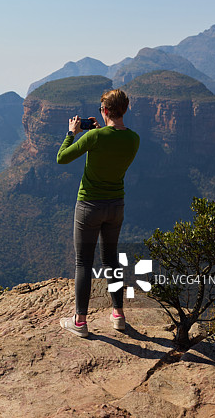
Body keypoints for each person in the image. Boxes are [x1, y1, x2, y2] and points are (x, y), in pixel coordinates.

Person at [55, 89, 139, 337]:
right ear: (125, 109)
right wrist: (94, 133)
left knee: (84, 262)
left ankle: (80, 321)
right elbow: (109, 144)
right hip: (116, 206)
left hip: (89, 206)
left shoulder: (95, 138)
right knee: (111, 260)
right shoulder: (134, 139)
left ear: (104, 111)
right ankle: (118, 315)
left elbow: (62, 158)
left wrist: (72, 133)